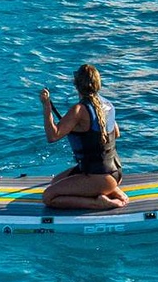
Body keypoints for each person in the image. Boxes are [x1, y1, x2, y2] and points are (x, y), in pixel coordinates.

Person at [40, 64, 126, 210]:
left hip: (100, 176)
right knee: (55, 182)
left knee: (49, 196)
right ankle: (112, 191)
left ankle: (98, 203)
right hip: (115, 171)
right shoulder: (107, 104)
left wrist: (46, 106)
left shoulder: (79, 110)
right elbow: (116, 134)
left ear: (76, 85)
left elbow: (52, 136)